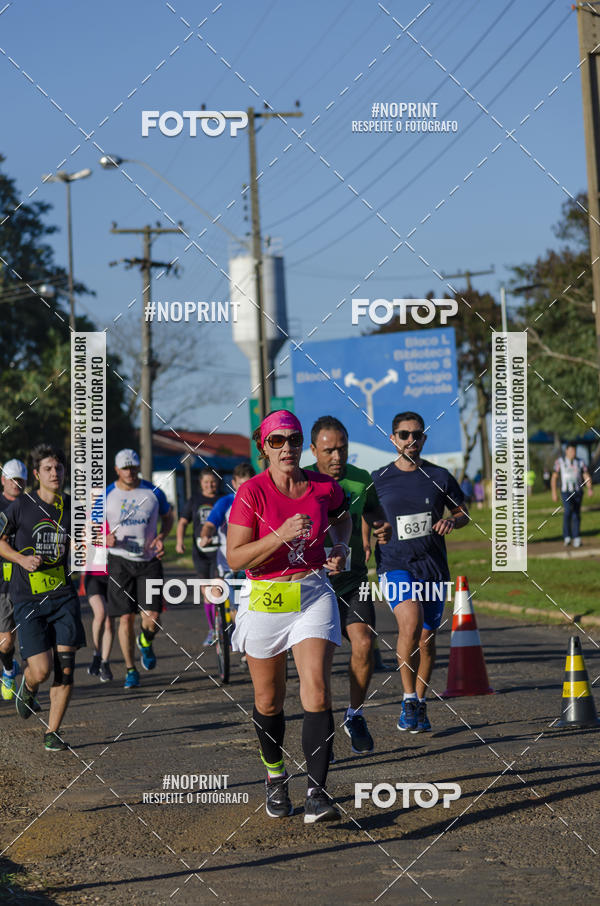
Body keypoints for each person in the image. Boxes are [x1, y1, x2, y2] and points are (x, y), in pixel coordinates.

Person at [226, 410, 352, 823]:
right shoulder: (252, 493)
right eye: (276, 441)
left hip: (313, 591)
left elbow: (343, 517)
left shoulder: (323, 486)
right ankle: (275, 777)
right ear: (263, 447)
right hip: (266, 596)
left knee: (317, 690)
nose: (287, 448)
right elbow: (234, 557)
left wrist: (341, 547)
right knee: (269, 699)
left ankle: (317, 794)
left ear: (303, 444)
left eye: (293, 440)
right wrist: (278, 534)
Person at [372, 412, 469, 734]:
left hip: (433, 568)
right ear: (392, 438)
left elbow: (462, 511)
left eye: (416, 435)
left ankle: (421, 702)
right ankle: (408, 698)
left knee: (427, 639)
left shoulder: (439, 476)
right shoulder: (379, 478)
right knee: (410, 623)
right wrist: (372, 535)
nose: (410, 440)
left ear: (423, 439)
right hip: (395, 565)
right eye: (403, 434)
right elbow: (363, 519)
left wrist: (452, 521)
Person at [307, 415, 392, 755]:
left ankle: (354, 714)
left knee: (364, 641)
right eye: (329, 450)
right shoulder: (303, 482)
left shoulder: (360, 480)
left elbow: (375, 512)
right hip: (314, 585)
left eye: (342, 449)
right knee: (320, 662)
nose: (337, 457)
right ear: (313, 450)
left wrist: (381, 526)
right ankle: (322, 724)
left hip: (353, 579)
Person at [0, 444, 86, 751]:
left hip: (63, 596)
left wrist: (86, 546)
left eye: (59, 468)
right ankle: (29, 684)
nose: (55, 473)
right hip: (28, 598)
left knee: (65, 666)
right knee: (41, 670)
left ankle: (53, 732)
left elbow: (86, 543)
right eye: (48, 469)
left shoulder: (72, 506)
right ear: (36, 474)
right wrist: (21, 560)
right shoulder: (20, 507)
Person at [105, 449, 173, 688]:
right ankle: (130, 669)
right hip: (119, 561)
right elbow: (90, 526)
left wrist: (162, 536)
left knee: (152, 617)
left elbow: (168, 517)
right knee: (124, 619)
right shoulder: (106, 495)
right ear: (117, 470)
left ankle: (146, 640)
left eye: (133, 467)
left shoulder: (153, 492)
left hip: (149, 561)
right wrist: (104, 538)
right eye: (125, 468)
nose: (130, 472)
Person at [176, 468, 223, 646]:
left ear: (217, 483)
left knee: (218, 590)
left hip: (220, 551)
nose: (210, 485)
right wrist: (180, 541)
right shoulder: (195, 500)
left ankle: (225, 628)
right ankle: (213, 629)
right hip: (201, 553)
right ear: (201, 484)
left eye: (213, 482)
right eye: (206, 482)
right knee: (207, 593)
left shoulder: (222, 499)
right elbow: (182, 522)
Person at [0, 459, 27, 700]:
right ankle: (9, 668)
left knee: (31, 636)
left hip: (28, 578)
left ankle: (31, 688)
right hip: (2, 580)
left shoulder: (32, 505)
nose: (16, 484)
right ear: (3, 480)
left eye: (20, 480)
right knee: (6, 641)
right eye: (12, 479)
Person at [551, 444, 593, 547]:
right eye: (571, 451)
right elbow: (554, 477)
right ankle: (567, 536)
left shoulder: (580, 462)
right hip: (566, 491)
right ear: (567, 451)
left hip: (578, 491)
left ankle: (577, 537)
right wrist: (554, 493)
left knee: (576, 513)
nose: (573, 453)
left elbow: (586, 475)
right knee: (568, 511)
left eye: (574, 451)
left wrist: (590, 488)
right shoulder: (559, 462)